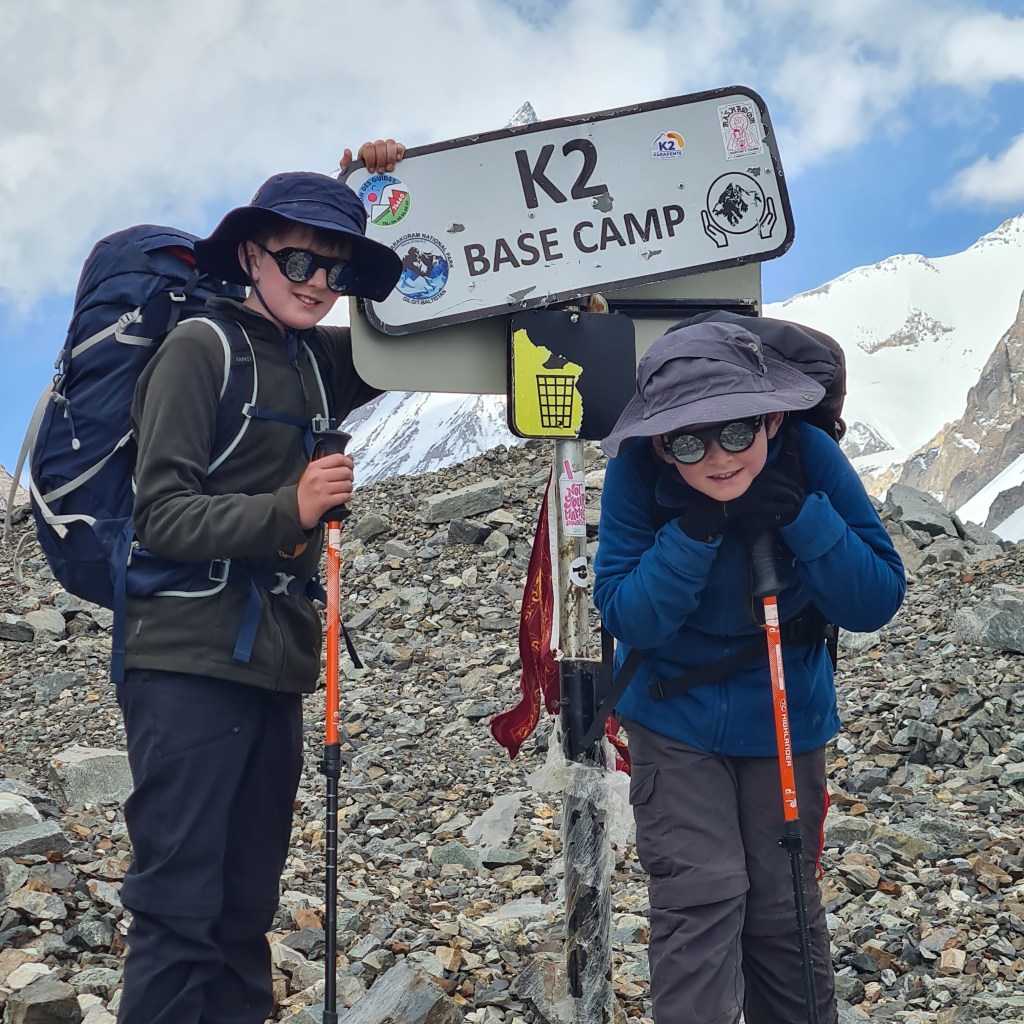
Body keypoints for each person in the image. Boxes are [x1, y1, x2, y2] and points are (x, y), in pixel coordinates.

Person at [115, 140, 405, 1024]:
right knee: (179, 913)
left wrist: (385, 187)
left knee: (244, 914)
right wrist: (291, 508)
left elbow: (426, 315)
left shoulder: (320, 360)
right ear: (249, 254)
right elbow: (161, 515)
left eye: (337, 269)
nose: (318, 283)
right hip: (186, 665)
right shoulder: (197, 349)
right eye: (298, 260)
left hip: (276, 667)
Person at [593, 321, 906, 1024]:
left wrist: (802, 516)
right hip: (673, 721)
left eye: (736, 432)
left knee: (783, 904)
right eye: (688, 442)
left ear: (771, 418)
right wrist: (695, 531)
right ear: (659, 442)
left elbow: (876, 598)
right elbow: (629, 616)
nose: (717, 457)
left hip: (786, 713)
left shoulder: (810, 457)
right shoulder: (635, 472)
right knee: (698, 898)